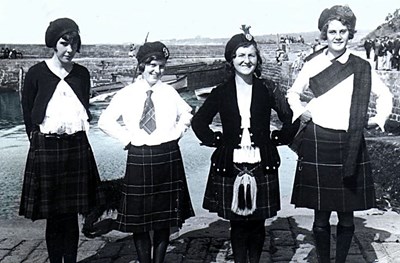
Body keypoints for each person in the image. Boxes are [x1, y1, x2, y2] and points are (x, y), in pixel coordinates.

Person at [286, 5, 393, 263]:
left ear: (350, 33)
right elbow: (292, 94)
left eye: (343, 31)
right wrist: (301, 112)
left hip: (351, 142)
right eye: (332, 31)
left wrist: (377, 120)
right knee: (320, 215)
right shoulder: (313, 64)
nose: (337, 36)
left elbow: (385, 95)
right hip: (319, 141)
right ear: (324, 33)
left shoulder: (362, 65)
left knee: (347, 214)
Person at [191, 26, 298, 263]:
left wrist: (276, 140)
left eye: (251, 55)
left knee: (258, 224)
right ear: (231, 59)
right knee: (238, 225)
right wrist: (218, 141)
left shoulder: (268, 89)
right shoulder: (221, 91)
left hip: (262, 162)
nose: (246, 61)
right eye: (240, 55)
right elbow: (199, 122)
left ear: (257, 59)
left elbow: (289, 118)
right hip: (231, 163)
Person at [98, 41, 194, 263]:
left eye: (161, 66)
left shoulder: (169, 92)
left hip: (168, 155)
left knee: (163, 220)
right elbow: (105, 121)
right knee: (139, 221)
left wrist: (178, 132)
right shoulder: (127, 93)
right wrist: (128, 139)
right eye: (151, 64)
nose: (157, 70)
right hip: (139, 157)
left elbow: (187, 113)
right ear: (142, 65)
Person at [19, 18, 105, 263]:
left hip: (76, 147)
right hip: (46, 147)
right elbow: (28, 113)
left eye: (74, 44)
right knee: (54, 215)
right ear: (54, 44)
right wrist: (35, 143)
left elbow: (83, 107)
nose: (69, 49)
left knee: (70, 215)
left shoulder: (81, 74)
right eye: (64, 43)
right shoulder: (37, 73)